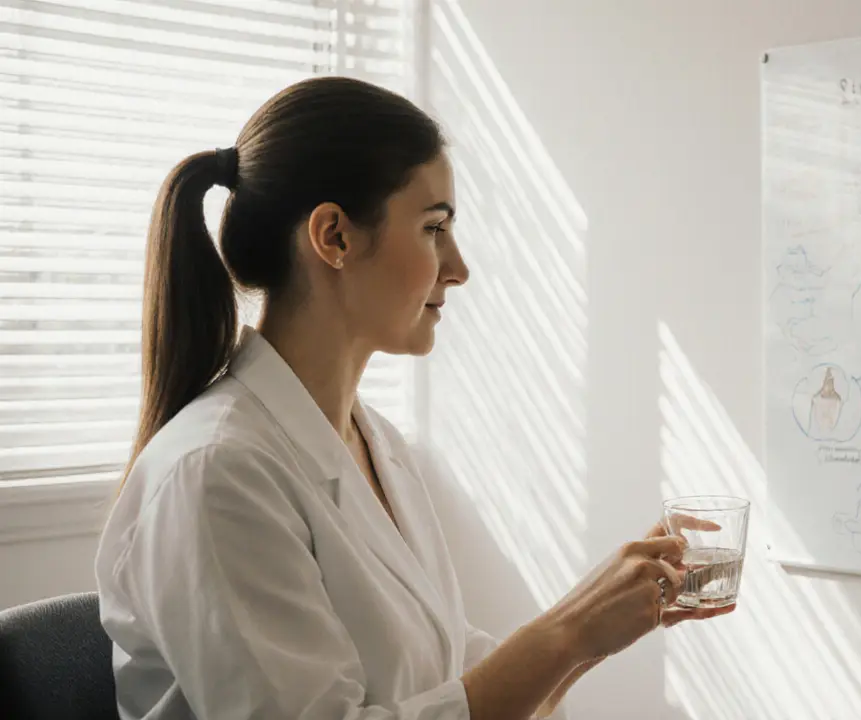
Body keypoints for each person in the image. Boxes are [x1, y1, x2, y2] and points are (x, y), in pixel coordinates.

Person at [95, 76, 734, 720]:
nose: (458, 266)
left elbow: (450, 680)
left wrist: (603, 622)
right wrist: (570, 629)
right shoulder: (216, 472)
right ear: (334, 237)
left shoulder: (373, 445)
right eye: (434, 228)